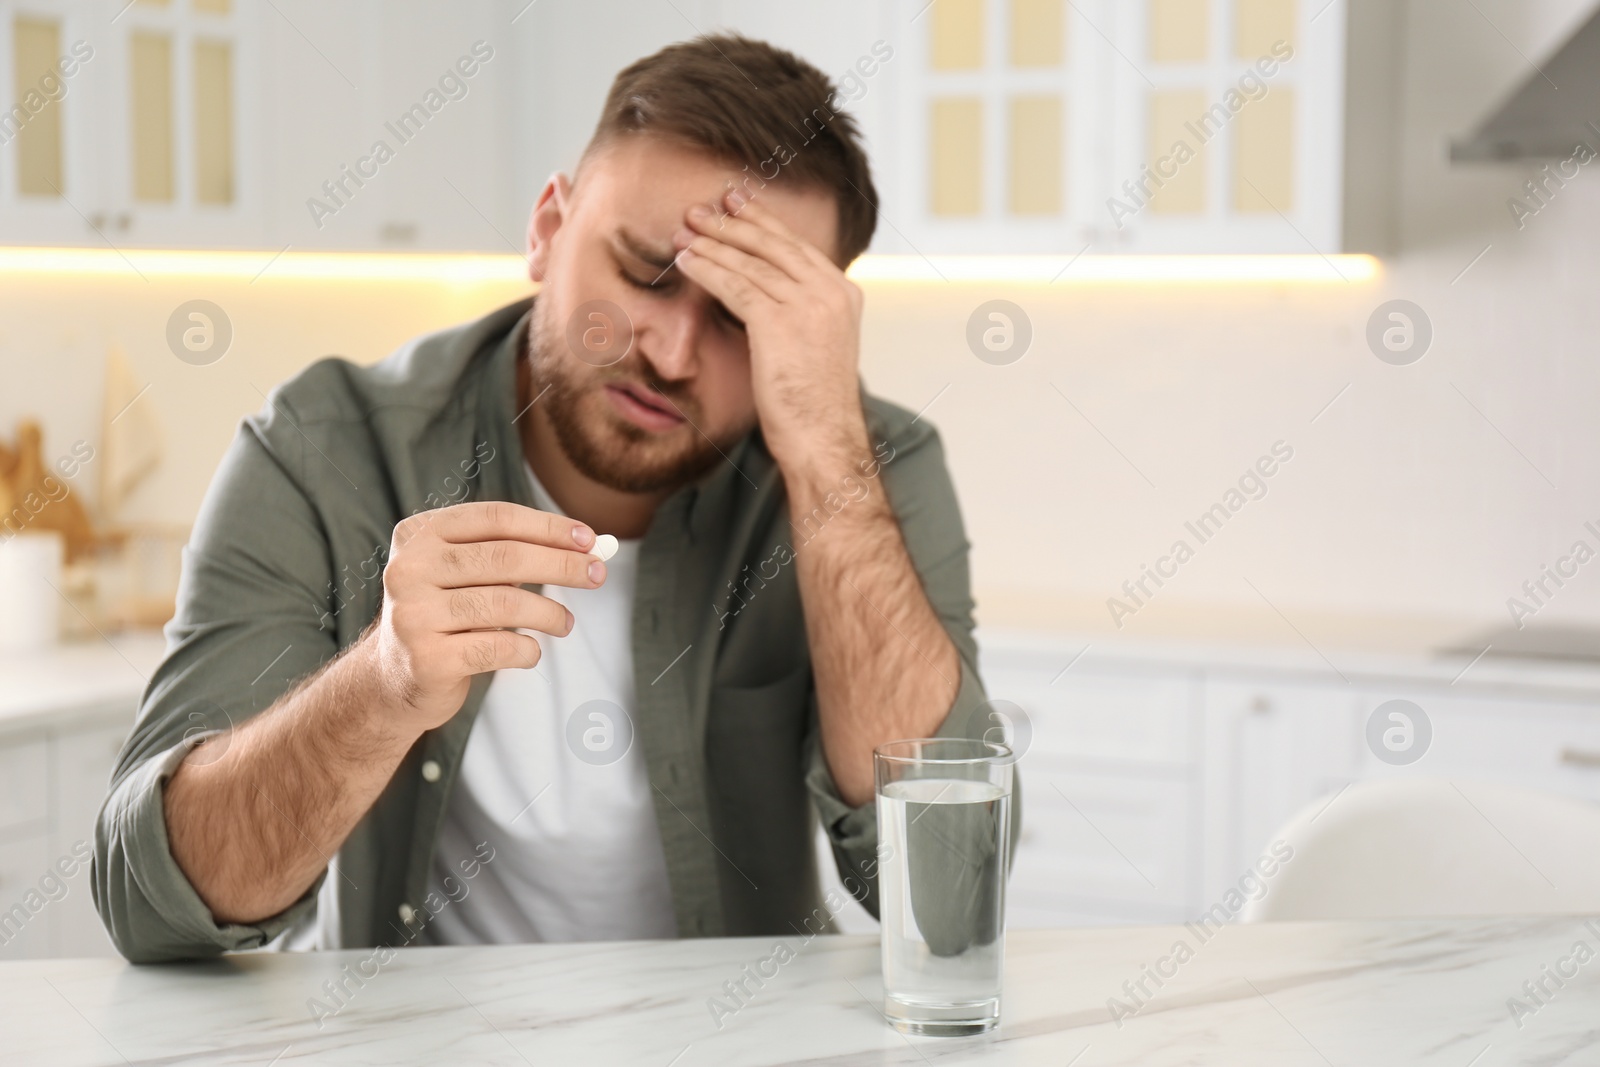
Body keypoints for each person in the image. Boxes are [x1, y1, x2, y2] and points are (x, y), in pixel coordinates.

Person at [93, 33, 1016, 963]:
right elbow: (153, 909)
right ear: (547, 227)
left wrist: (824, 449)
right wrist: (381, 686)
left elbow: (949, 892)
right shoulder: (323, 447)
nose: (671, 352)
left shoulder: (865, 467)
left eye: (746, 316)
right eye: (646, 274)